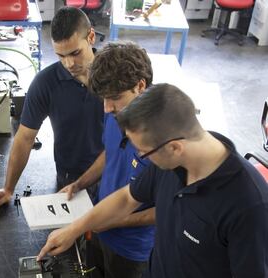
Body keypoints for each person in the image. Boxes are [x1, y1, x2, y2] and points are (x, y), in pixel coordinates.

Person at [38, 83, 268, 278]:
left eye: (143, 152)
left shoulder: (249, 207)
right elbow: (128, 197)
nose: (139, 157)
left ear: (174, 147)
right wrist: (74, 229)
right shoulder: (170, 163)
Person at [0, 7, 104, 207]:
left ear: (91, 37)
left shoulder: (115, 74)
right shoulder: (45, 83)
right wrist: (8, 188)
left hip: (114, 171)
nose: (68, 63)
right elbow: (25, 138)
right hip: (70, 177)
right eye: (60, 55)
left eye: (75, 53)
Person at [60, 42, 155, 278]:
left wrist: (117, 221)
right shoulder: (116, 113)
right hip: (99, 226)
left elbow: (165, 210)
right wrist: (80, 184)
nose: (106, 108)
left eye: (114, 98)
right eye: (103, 98)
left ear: (140, 85)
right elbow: (111, 153)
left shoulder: (162, 139)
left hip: (131, 251)